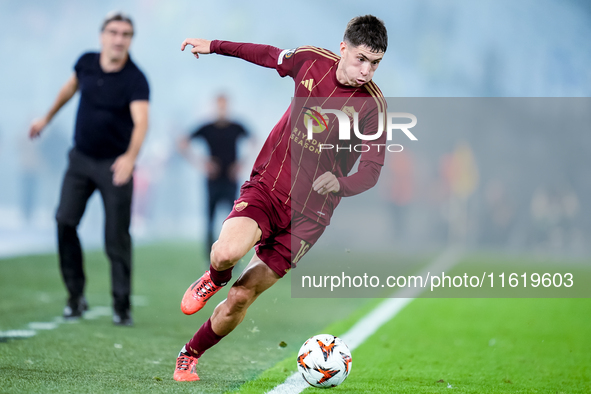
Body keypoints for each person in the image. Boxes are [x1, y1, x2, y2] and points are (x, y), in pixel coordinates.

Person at [174, 15, 387, 381]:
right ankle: (213, 277)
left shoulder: (373, 108)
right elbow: (266, 53)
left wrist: (340, 183)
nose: (367, 70)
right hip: (268, 188)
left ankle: (190, 353)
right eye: (361, 59)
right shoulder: (309, 61)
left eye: (375, 63)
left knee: (242, 297)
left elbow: (371, 170)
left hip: (309, 218)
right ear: (343, 49)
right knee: (226, 253)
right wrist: (215, 46)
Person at [29, 12, 150, 326]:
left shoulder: (135, 78)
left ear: (130, 40)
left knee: (116, 237)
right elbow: (69, 89)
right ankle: (75, 297)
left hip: (115, 165)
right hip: (81, 159)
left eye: (125, 34)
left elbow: (141, 122)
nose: (118, 39)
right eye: (113, 32)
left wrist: (130, 157)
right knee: (64, 221)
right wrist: (46, 118)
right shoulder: (85, 62)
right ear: (102, 36)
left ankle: (121, 306)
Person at [178, 95, 250, 259]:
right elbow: (182, 143)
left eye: (224, 106)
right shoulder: (207, 128)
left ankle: (233, 256)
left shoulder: (236, 127)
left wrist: (241, 164)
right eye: (219, 106)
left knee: (233, 221)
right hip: (213, 180)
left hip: (230, 180)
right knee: (210, 220)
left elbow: (255, 141)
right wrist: (201, 163)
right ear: (214, 107)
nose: (222, 109)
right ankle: (209, 258)